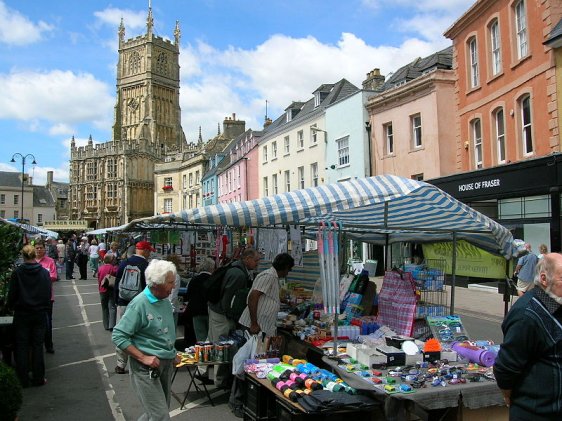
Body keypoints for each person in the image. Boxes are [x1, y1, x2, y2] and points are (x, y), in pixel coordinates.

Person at [494, 253, 562, 420]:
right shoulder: (526, 314)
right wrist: (510, 396)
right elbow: (506, 368)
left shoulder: (557, 303)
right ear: (544, 279)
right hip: (537, 413)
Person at [112, 259, 179, 421]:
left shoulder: (164, 301)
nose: (173, 286)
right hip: (145, 368)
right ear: (157, 284)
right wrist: (143, 357)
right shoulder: (139, 304)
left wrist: (173, 352)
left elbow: (165, 332)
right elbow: (118, 335)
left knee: (156, 412)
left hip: (164, 363)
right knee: (160, 415)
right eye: (170, 283)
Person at [230, 253, 294, 417]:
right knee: (246, 364)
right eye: (289, 269)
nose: (288, 272)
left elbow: (265, 299)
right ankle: (237, 401)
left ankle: (249, 400)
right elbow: (253, 297)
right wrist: (254, 323)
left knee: (254, 365)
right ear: (285, 268)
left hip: (263, 328)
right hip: (256, 328)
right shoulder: (268, 276)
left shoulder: (272, 278)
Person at [208, 248, 261, 389]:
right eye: (256, 260)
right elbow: (229, 299)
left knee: (217, 343)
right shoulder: (238, 274)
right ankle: (219, 382)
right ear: (247, 259)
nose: (257, 263)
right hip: (221, 314)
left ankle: (212, 375)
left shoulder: (236, 268)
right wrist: (232, 317)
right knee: (222, 347)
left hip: (217, 310)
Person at [7, 245, 52, 387]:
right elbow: (47, 293)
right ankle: (38, 377)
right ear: (34, 255)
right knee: (37, 346)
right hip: (39, 312)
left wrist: (11, 306)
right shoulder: (44, 272)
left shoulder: (17, 272)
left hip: (22, 313)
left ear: (23, 256)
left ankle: (23, 379)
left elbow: (12, 295)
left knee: (22, 346)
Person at [113, 240, 153, 374]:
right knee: (140, 334)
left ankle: (120, 364)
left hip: (123, 302)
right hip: (139, 306)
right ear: (146, 251)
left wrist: (116, 301)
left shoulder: (124, 263)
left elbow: (117, 283)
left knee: (122, 333)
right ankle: (140, 361)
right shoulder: (146, 266)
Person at [186, 257, 215, 384]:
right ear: (211, 268)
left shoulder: (194, 280)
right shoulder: (212, 280)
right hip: (209, 313)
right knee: (211, 341)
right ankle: (207, 370)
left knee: (201, 341)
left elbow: (188, 295)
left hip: (196, 313)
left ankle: (200, 369)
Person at [34, 239, 57, 354]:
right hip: (32, 298)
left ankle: (48, 345)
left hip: (47, 297)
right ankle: (37, 344)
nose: (39, 250)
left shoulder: (50, 261)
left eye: (40, 248)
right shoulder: (31, 261)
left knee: (48, 322)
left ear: (44, 249)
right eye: (37, 248)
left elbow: (53, 276)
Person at [98, 253, 118, 331]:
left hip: (102, 290)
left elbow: (99, 280)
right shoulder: (113, 268)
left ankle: (106, 325)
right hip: (111, 289)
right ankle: (111, 325)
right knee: (112, 307)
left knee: (104, 308)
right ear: (111, 260)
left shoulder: (100, 268)